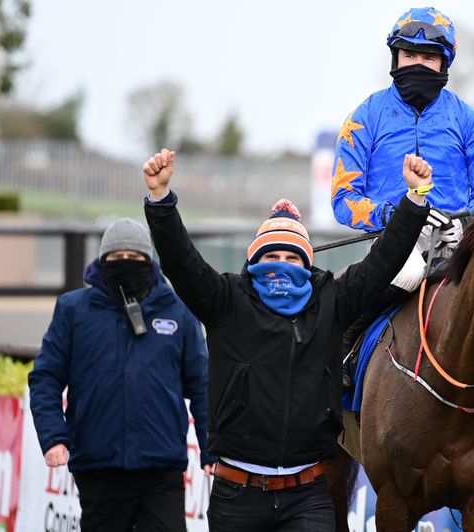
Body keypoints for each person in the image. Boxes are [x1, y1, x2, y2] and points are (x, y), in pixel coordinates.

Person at [141, 148, 432, 531]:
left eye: (292, 258)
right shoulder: (224, 300)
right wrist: (160, 198)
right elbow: (181, 260)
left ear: (306, 263)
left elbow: (383, 264)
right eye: (272, 256)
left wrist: (414, 198)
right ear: (254, 260)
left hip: (308, 496)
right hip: (236, 496)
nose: (281, 265)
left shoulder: (332, 300)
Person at [28, 218, 213, 532]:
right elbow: (45, 377)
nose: (126, 263)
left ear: (148, 260)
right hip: (98, 465)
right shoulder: (73, 310)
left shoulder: (178, 311)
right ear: (103, 260)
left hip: (161, 465)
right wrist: (53, 437)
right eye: (116, 257)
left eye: (135, 257)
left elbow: (203, 386)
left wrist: (211, 448)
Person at [331, 6, 474, 289]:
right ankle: (356, 321)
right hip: (390, 239)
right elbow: (343, 199)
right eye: (409, 55)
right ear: (396, 57)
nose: (417, 64)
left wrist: (466, 224)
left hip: (459, 241)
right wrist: (394, 215)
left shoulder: (470, 121)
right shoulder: (363, 118)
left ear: (443, 63)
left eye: (429, 57)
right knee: (409, 274)